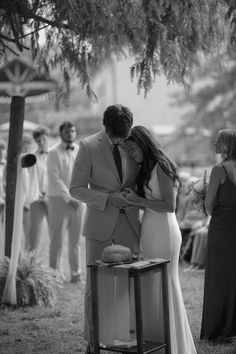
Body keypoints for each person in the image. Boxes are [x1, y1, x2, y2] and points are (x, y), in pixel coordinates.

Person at [70, 104, 140, 354]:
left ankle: (128, 338)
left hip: (130, 226)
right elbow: (76, 189)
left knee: (130, 286)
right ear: (105, 126)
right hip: (99, 226)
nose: (120, 140)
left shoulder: (134, 144)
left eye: (124, 135)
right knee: (95, 287)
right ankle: (93, 341)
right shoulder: (88, 146)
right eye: (115, 136)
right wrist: (109, 199)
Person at [124, 125, 197, 354]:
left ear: (144, 143)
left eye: (133, 148)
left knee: (165, 283)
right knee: (151, 286)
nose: (131, 153)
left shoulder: (162, 167)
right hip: (150, 229)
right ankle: (156, 343)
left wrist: (138, 200)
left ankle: (175, 345)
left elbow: (169, 206)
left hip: (164, 230)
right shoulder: (143, 168)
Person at [200, 128, 236, 343]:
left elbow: (209, 204)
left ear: (228, 145)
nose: (215, 146)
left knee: (218, 279)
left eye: (218, 143)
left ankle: (217, 330)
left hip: (222, 228)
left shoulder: (218, 170)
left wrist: (216, 213)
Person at [47, 121, 83, 283]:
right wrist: (69, 198)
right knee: (57, 240)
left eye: (73, 131)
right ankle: (55, 276)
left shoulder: (80, 151)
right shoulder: (53, 153)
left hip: (79, 202)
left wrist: (81, 197)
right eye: (67, 132)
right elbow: (55, 180)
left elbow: (84, 175)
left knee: (75, 241)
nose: (70, 134)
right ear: (61, 133)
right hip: (59, 201)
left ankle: (76, 274)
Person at [26, 126, 50, 251]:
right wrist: (37, 194)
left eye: (43, 139)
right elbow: (29, 179)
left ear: (48, 138)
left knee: (56, 236)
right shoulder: (31, 157)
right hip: (36, 199)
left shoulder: (54, 154)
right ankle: (30, 267)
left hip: (52, 198)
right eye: (38, 140)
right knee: (34, 236)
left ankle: (56, 268)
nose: (41, 142)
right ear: (35, 141)